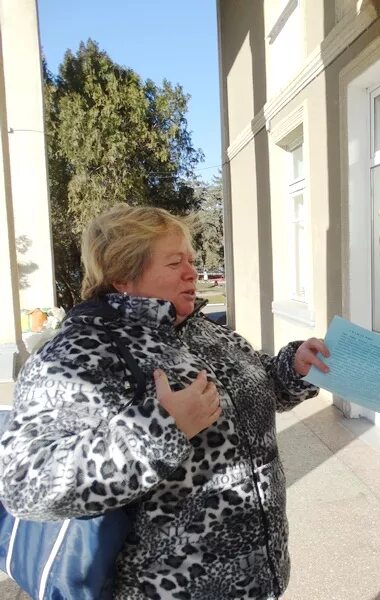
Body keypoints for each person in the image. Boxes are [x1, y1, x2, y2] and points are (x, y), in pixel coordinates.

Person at [0, 205, 330, 599]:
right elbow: (26, 486)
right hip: (170, 587)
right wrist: (163, 429)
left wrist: (292, 368)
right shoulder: (77, 353)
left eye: (190, 260)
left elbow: (256, 389)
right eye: (175, 263)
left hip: (257, 573)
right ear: (122, 275)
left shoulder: (203, 330)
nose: (193, 272)